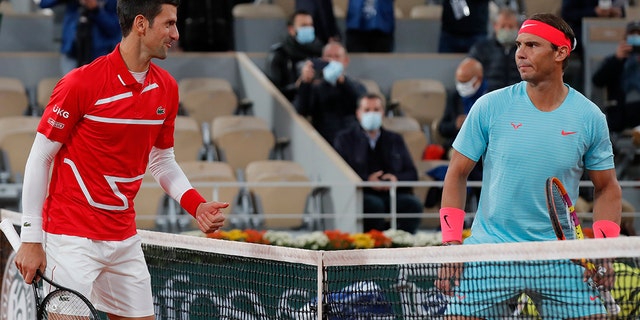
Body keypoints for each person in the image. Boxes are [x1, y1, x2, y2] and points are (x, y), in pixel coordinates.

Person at [14, 1, 228, 319]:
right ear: (141, 24)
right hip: (71, 237)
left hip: (124, 238)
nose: (176, 34)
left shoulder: (167, 89)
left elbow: (162, 160)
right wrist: (31, 238)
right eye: (168, 24)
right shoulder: (80, 83)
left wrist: (195, 205)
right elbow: (41, 157)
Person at [435, 13, 622, 318]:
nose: (520, 53)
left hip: (561, 257)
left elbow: (607, 188)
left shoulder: (589, 118)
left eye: (532, 45)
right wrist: (451, 243)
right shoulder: (489, 106)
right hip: (491, 253)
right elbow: (456, 173)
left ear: (560, 52)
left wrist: (604, 251)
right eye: (520, 44)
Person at [333, 92, 423, 234]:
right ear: (358, 113)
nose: (372, 114)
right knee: (374, 206)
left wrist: (395, 179)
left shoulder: (395, 139)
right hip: (362, 193)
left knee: (413, 205)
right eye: (367, 110)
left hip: (392, 192)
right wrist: (367, 180)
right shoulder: (344, 139)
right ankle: (375, 245)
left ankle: (403, 244)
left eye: (376, 110)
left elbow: (412, 173)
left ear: (383, 113)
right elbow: (341, 173)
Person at [294, 41, 367, 144]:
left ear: (345, 61)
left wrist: (343, 82)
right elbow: (301, 110)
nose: (332, 60)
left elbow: (360, 104)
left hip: (352, 141)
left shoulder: (357, 86)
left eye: (337, 57)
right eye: (328, 57)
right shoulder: (316, 88)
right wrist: (305, 83)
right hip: (325, 141)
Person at [40, 0, 121, 75]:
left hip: (99, 55)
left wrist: (95, 9)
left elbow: (115, 29)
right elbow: (44, 3)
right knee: (70, 87)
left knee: (95, 88)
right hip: (71, 51)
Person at [265, 9, 325, 101]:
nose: (309, 29)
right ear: (291, 29)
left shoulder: (320, 52)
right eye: (304, 26)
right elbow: (274, 91)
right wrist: (298, 85)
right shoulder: (279, 54)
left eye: (311, 25)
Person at [592, 20, 640, 133]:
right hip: (621, 112)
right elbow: (597, 80)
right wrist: (617, 59)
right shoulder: (614, 60)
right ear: (625, 38)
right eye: (632, 34)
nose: (636, 37)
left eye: (639, 34)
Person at [469, 7, 522, 93]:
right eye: (503, 26)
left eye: (511, 26)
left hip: (518, 98)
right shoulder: (481, 48)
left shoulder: (525, 50)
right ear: (495, 26)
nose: (507, 30)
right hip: (489, 97)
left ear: (518, 27)